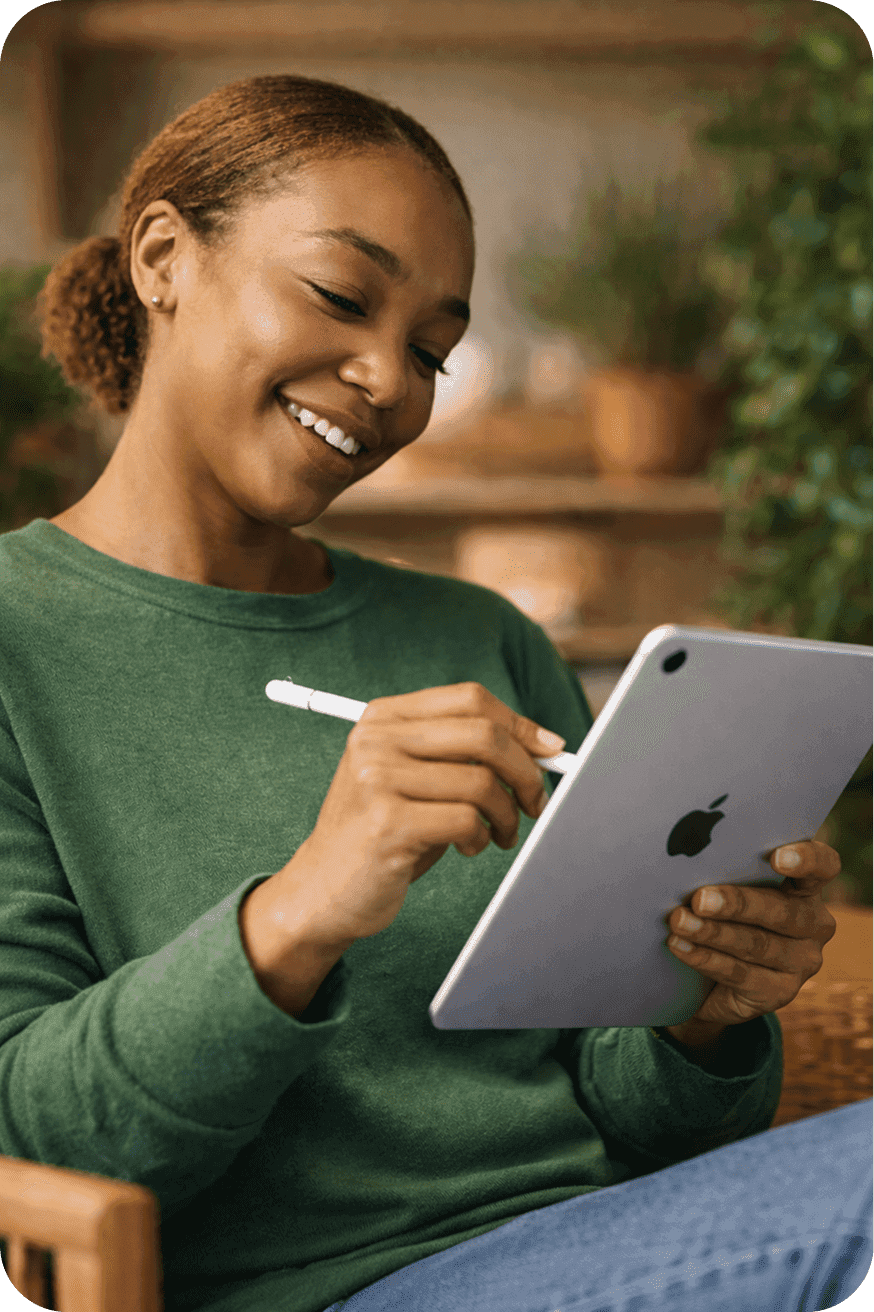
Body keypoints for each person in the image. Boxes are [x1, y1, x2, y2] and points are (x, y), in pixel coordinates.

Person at [0, 75, 869, 1312]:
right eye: (341, 297)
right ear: (162, 259)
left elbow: (634, 1118)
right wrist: (302, 909)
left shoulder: (480, 637)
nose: (386, 380)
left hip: (598, 1247)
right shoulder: (18, 644)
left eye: (429, 351)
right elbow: (32, 1152)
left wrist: (703, 1016)